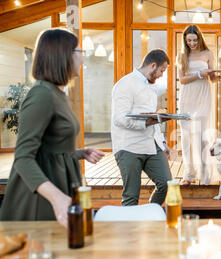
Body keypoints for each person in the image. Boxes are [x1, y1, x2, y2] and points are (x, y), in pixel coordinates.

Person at [0, 28, 104, 227]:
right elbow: (23, 157)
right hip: (42, 199)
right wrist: (56, 198)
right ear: (62, 55)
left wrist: (80, 153)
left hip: (61, 184)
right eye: (79, 52)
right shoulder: (41, 95)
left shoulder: (57, 94)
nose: (82, 58)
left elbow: (48, 149)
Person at [111, 49, 172, 206]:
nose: (161, 75)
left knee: (167, 184)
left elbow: (153, 118)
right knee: (131, 196)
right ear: (152, 65)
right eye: (162, 70)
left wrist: (162, 142)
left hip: (152, 145)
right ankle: (131, 229)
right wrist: (147, 122)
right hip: (128, 146)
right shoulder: (124, 84)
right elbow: (119, 118)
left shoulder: (151, 87)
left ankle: (151, 213)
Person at [177, 25, 221, 186]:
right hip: (187, 97)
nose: (192, 43)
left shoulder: (208, 53)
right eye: (189, 40)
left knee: (202, 136)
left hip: (203, 96)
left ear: (199, 38)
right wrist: (198, 74)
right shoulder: (181, 56)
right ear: (185, 40)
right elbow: (182, 79)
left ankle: (204, 175)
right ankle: (189, 174)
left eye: (195, 40)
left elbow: (212, 78)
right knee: (187, 136)